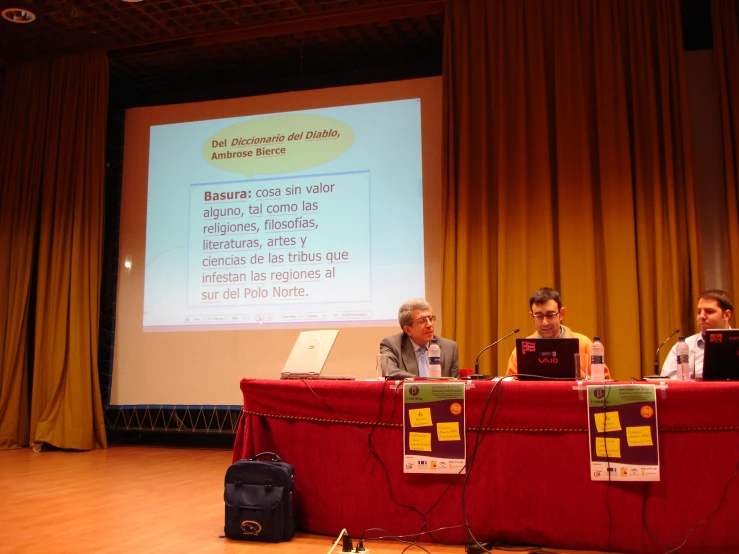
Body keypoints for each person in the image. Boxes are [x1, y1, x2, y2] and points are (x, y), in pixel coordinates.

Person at [506, 287, 610, 379]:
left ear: (561, 314)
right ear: (532, 316)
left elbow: (604, 383)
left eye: (550, 315)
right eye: (539, 316)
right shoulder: (522, 350)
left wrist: (583, 376)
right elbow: (510, 387)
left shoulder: (583, 344)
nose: (545, 323)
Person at [661, 289, 733, 379]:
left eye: (709, 311)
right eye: (699, 312)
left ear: (726, 315)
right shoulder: (683, 346)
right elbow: (667, 382)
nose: (702, 316)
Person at [380, 298, 460, 379]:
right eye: (422, 320)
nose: (429, 325)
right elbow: (388, 371)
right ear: (408, 330)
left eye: (430, 318)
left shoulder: (450, 347)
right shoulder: (391, 345)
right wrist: (422, 383)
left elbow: (457, 385)